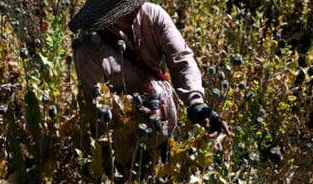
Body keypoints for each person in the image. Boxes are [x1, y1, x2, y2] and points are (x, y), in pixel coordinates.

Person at [69, 0, 230, 160]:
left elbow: (181, 61)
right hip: (120, 139)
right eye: (125, 9)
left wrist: (196, 103)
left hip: (163, 122)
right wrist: (134, 109)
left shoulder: (153, 14)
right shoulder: (88, 47)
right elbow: (95, 103)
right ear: (104, 14)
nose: (135, 10)